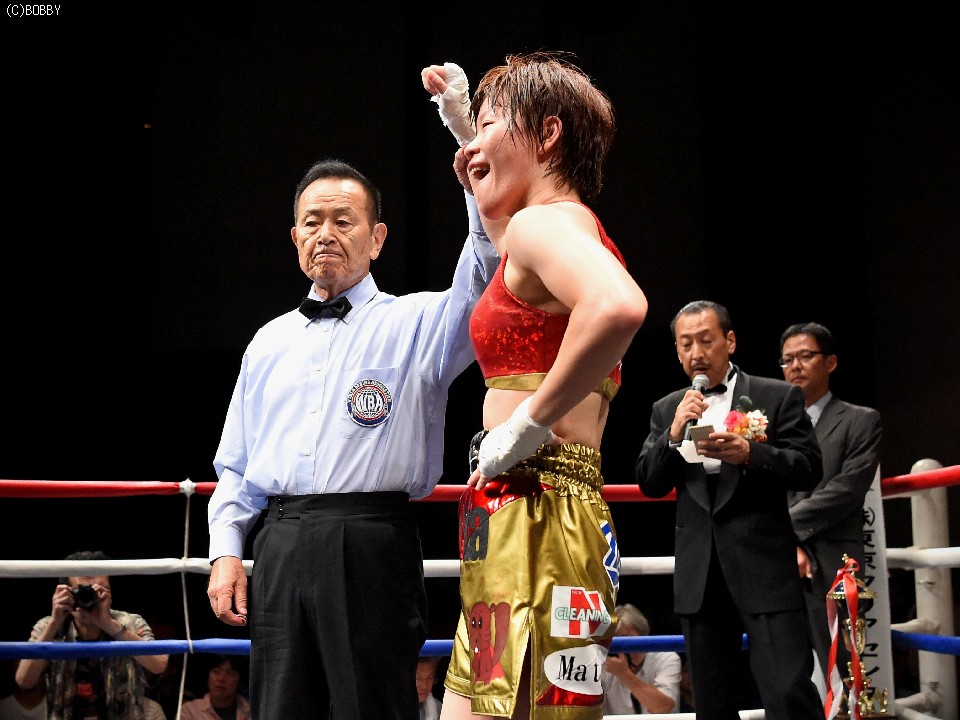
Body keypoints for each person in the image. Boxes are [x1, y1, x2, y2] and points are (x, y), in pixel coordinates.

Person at [204, 73, 501, 719]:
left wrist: (471, 156)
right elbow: (235, 465)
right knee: (282, 708)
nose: (326, 233)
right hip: (279, 543)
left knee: (373, 707)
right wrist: (227, 550)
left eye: (344, 220)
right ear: (294, 237)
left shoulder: (417, 323)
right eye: (312, 222)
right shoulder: (267, 342)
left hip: (372, 541)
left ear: (377, 237)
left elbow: (484, 269)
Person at [427, 52, 648, 720]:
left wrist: (526, 424)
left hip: (537, 503)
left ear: (548, 135)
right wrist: (470, 132)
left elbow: (618, 307)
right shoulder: (561, 226)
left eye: (495, 123)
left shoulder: (543, 224)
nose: (476, 146)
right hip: (530, 505)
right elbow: (508, 253)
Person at [634, 300, 824, 720]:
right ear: (677, 352)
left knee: (788, 691)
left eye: (706, 340)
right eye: (686, 344)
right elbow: (649, 482)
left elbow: (810, 468)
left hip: (764, 568)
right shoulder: (667, 408)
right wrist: (673, 434)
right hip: (700, 576)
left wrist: (752, 454)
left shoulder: (777, 396)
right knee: (713, 703)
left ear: (730, 341)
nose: (696, 353)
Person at [779, 322, 883, 690]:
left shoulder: (861, 420)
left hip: (832, 561)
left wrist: (785, 528)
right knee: (784, 675)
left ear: (831, 362)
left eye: (806, 356)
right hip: (778, 561)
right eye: (787, 359)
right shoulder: (771, 425)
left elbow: (847, 490)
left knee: (842, 676)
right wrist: (787, 542)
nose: (795, 366)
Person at [14, 550, 170, 720]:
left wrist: (109, 625)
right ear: (65, 592)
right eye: (82, 591)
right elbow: (24, 681)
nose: (90, 597)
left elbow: (159, 664)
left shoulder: (130, 622)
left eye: (99, 590)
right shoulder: (49, 626)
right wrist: (54, 623)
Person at [601, 604, 681, 715]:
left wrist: (625, 674)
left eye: (626, 640)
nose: (622, 649)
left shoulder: (667, 659)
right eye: (615, 642)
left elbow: (663, 707)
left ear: (643, 636)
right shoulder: (603, 664)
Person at [179, 654, 251, 720]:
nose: (221, 678)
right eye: (216, 671)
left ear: (240, 681)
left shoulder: (252, 711)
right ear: (208, 677)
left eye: (229, 673)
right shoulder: (189, 711)